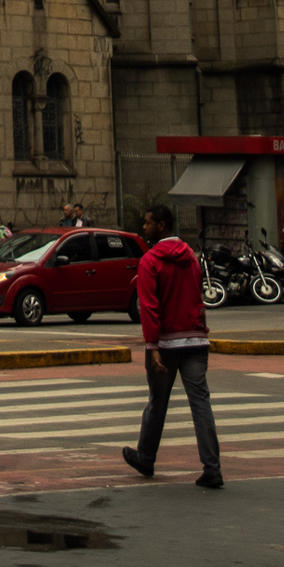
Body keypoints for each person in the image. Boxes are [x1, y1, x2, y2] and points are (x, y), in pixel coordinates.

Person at [122, 204, 223, 490]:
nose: (144, 227)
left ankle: (146, 457)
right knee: (201, 403)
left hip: (166, 343)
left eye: (148, 223)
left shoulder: (150, 261)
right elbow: (196, 294)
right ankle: (212, 468)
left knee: (157, 402)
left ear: (162, 226)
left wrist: (152, 346)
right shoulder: (190, 256)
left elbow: (150, 308)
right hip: (196, 339)